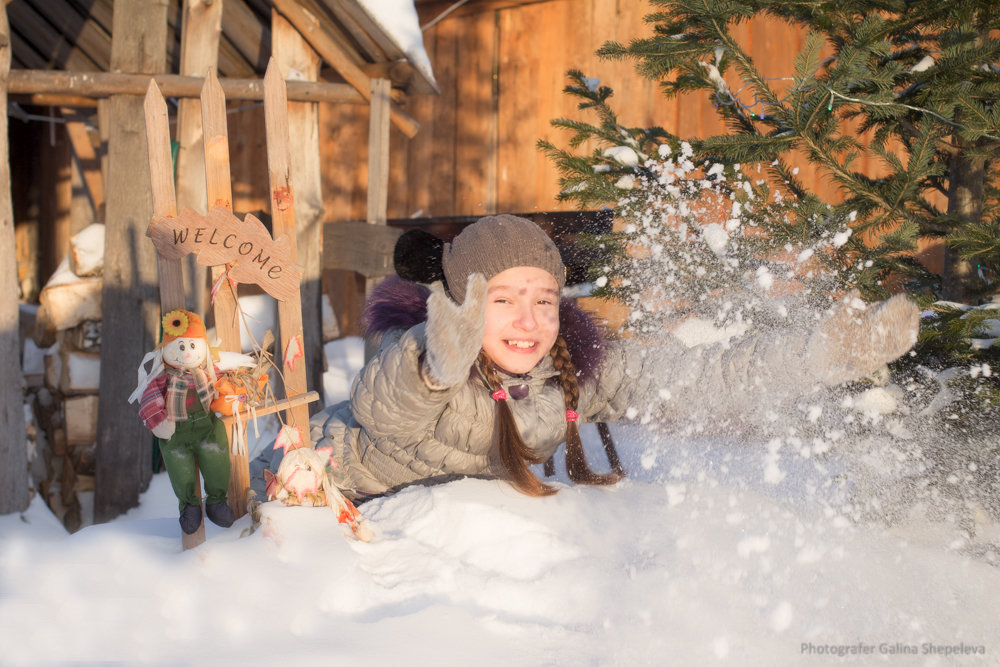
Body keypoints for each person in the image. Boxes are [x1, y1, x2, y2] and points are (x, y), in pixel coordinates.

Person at [267, 214, 918, 502]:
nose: (529, 320)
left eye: (544, 300)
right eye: (503, 300)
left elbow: (694, 377)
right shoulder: (418, 357)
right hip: (322, 501)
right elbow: (388, 418)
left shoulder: (569, 368)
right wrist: (438, 362)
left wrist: (820, 353)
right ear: (460, 302)